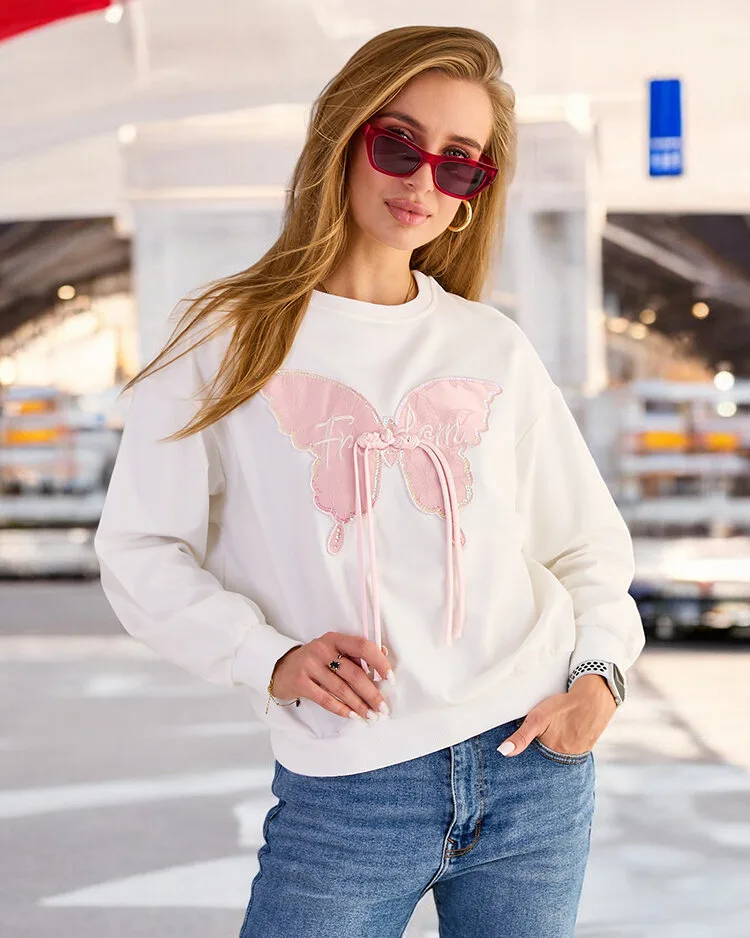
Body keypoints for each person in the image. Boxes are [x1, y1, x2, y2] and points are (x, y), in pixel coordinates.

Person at [94, 24, 645, 938]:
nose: (423, 180)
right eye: (398, 144)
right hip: (351, 788)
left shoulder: (490, 346)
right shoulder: (228, 339)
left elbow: (584, 544)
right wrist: (266, 657)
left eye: (459, 163)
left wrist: (599, 680)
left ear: (472, 194)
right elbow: (142, 547)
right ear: (342, 139)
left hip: (534, 770)